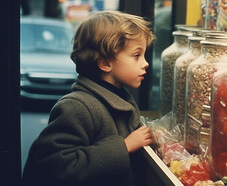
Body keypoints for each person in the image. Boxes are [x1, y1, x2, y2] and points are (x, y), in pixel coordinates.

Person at [22, 11, 156, 186]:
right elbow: (55, 167)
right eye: (137, 55)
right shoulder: (76, 107)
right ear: (105, 63)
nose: (145, 63)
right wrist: (124, 147)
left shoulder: (119, 97)